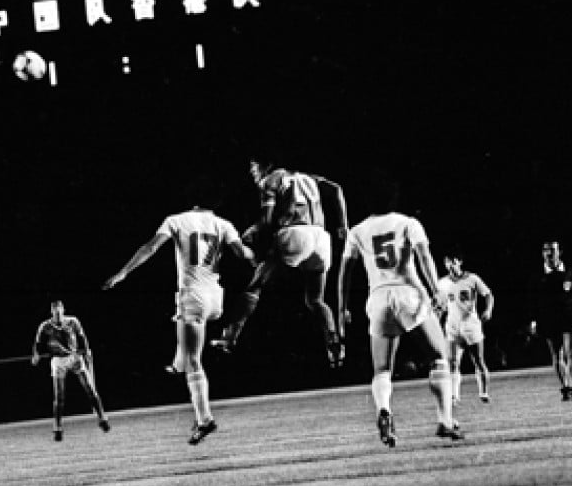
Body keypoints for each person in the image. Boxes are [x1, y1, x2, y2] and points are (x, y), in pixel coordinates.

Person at [103, 192, 255, 445]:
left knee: (193, 360)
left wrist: (122, 273)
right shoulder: (224, 224)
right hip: (215, 296)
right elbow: (243, 254)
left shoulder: (176, 220)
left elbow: (150, 247)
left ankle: (205, 419)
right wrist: (253, 253)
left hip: (192, 295)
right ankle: (177, 365)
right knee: (185, 342)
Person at [341, 178, 463, 446]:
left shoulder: (358, 231)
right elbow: (424, 258)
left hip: (378, 299)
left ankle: (384, 409)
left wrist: (342, 308)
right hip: (409, 294)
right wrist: (436, 291)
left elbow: (345, 273)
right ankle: (445, 420)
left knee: (382, 368)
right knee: (439, 357)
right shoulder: (407, 223)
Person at [212, 158, 348, 368]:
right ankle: (333, 340)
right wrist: (343, 225)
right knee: (315, 299)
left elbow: (266, 221)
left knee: (255, 287)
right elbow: (337, 189)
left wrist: (252, 231)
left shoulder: (270, 180)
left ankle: (229, 338)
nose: (252, 173)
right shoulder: (309, 178)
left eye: (253, 167)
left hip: (294, 232)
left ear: (266, 165)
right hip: (321, 238)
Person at [31, 300, 110, 441]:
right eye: (55, 310)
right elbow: (37, 343)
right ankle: (57, 428)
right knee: (59, 396)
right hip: (58, 360)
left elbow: (82, 336)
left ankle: (102, 419)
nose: (57, 312)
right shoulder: (45, 326)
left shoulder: (73, 321)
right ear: (51, 311)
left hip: (74, 357)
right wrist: (36, 354)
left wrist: (86, 351)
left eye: (59, 309)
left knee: (90, 389)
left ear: (63, 309)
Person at [529, 240, 572, 401]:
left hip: (569, 317)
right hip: (549, 319)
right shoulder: (538, 275)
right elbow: (533, 300)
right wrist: (533, 320)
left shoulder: (570, 272)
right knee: (557, 354)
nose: (549, 253)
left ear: (559, 252)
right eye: (545, 250)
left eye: (552, 250)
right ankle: (565, 387)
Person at [437, 248, 495, 404]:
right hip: (452, 327)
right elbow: (440, 305)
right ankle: (454, 396)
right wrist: (436, 317)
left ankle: (483, 392)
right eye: (447, 262)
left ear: (460, 262)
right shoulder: (442, 283)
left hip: (471, 325)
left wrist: (488, 310)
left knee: (478, 360)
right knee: (452, 362)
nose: (450, 265)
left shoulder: (472, 278)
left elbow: (488, 294)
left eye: (453, 261)